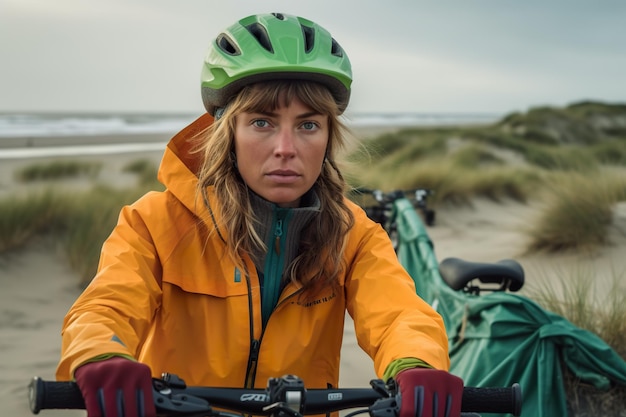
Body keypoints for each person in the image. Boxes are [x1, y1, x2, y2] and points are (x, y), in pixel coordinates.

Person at [56, 12, 463, 417]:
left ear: (328, 136)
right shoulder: (153, 221)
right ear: (226, 132)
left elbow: (399, 314)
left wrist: (416, 363)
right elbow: (106, 305)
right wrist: (102, 355)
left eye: (307, 126)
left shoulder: (353, 234)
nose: (285, 148)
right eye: (262, 122)